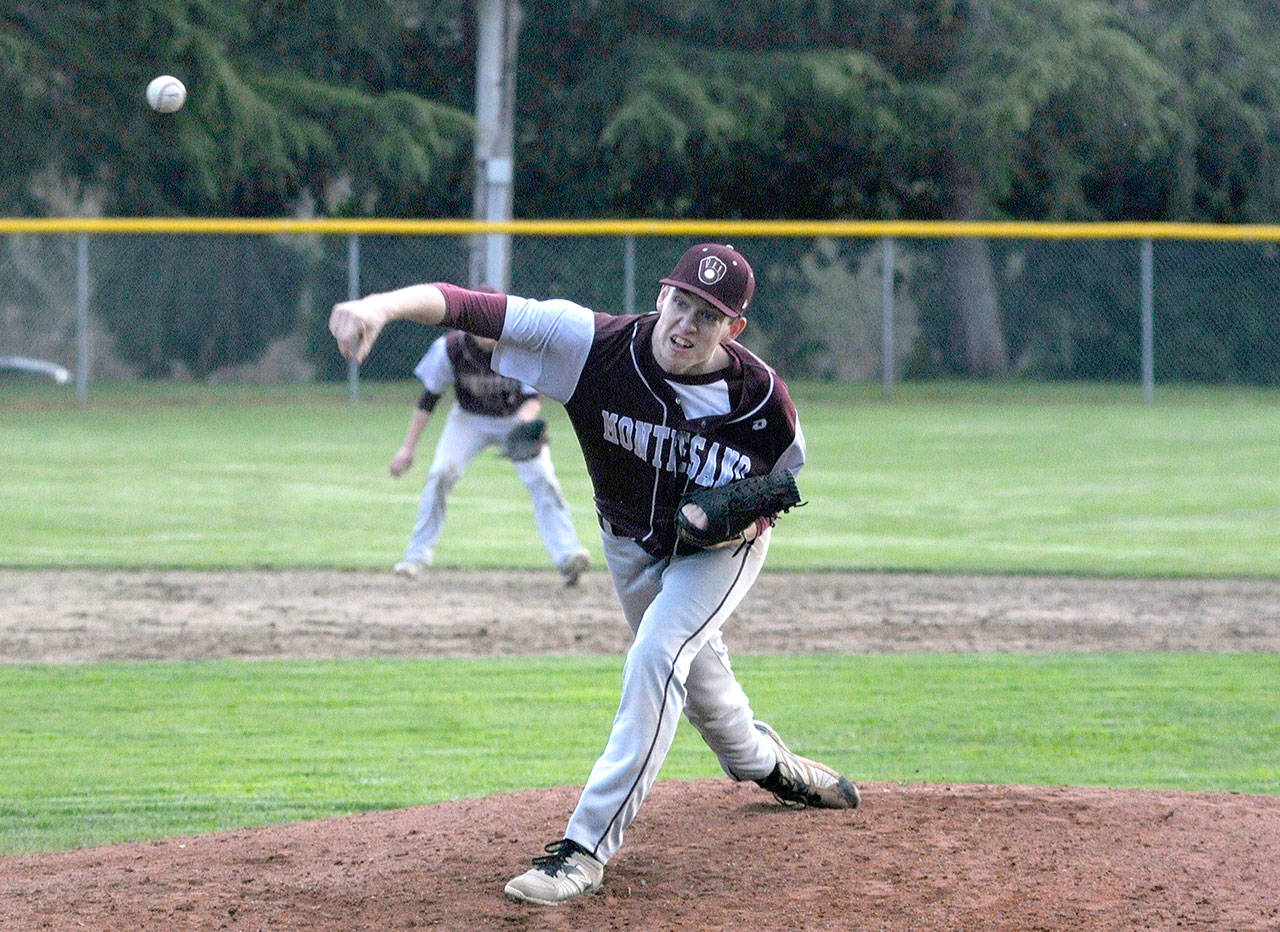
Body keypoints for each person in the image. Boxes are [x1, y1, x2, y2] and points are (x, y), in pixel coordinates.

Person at [329, 243, 859, 906]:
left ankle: (583, 850)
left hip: (716, 554)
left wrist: (744, 522)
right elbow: (468, 306)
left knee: (656, 658)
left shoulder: (759, 398)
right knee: (701, 691)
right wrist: (379, 305)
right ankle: (767, 764)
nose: (686, 324)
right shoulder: (593, 345)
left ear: (733, 329)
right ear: (662, 295)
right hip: (629, 544)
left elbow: (782, 483)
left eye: (708, 315)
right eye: (681, 301)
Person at [389, 324, 591, 586]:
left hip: (514, 418)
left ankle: (567, 557)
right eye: (479, 324)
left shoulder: (520, 346)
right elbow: (429, 398)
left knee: (543, 479)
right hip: (468, 421)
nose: (486, 331)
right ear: (468, 327)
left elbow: (532, 399)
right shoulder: (450, 349)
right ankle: (414, 558)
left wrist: (522, 423)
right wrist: (408, 448)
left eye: (491, 323)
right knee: (440, 475)